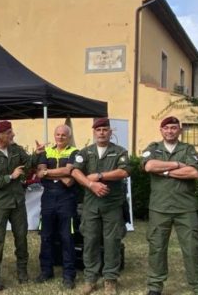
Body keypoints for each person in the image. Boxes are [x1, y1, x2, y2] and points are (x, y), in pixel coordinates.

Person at [141, 116, 198, 295]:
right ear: (161, 130)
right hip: (159, 208)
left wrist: (163, 172)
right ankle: (155, 286)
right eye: (166, 128)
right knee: (157, 247)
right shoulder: (153, 148)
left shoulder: (188, 149)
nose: (170, 131)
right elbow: (149, 166)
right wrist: (177, 165)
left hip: (185, 208)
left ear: (179, 130)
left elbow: (193, 172)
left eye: (173, 128)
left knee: (193, 248)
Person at [71, 118, 130, 295]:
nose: (102, 132)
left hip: (112, 204)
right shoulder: (85, 152)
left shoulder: (119, 151)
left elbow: (124, 171)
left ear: (110, 132)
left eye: (105, 129)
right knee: (90, 241)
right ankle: (90, 279)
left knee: (112, 242)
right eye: (98, 130)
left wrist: (99, 175)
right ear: (94, 132)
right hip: (91, 205)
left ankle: (110, 279)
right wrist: (91, 185)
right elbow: (75, 171)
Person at [0, 120, 39, 291]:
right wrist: (11, 177)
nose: (12, 135)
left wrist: (37, 154)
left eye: (11, 132)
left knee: (21, 238)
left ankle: (22, 272)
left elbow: (28, 166)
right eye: (9, 133)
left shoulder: (16, 149)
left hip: (18, 203)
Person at [34, 124, 79, 290]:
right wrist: (61, 173)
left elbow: (70, 175)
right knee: (46, 236)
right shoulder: (46, 151)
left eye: (63, 135)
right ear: (54, 136)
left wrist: (49, 172)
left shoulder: (75, 152)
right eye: (58, 134)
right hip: (48, 197)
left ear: (68, 137)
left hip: (67, 198)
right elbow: (40, 172)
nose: (60, 137)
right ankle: (46, 271)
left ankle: (69, 275)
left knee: (67, 237)